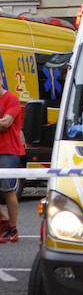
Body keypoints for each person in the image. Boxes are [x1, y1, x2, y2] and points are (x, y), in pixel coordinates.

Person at [0, 81, 24, 243]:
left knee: (7, 190)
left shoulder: (12, 99)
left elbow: (5, 124)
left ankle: (13, 228)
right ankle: (3, 222)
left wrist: (2, 121)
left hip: (8, 151)